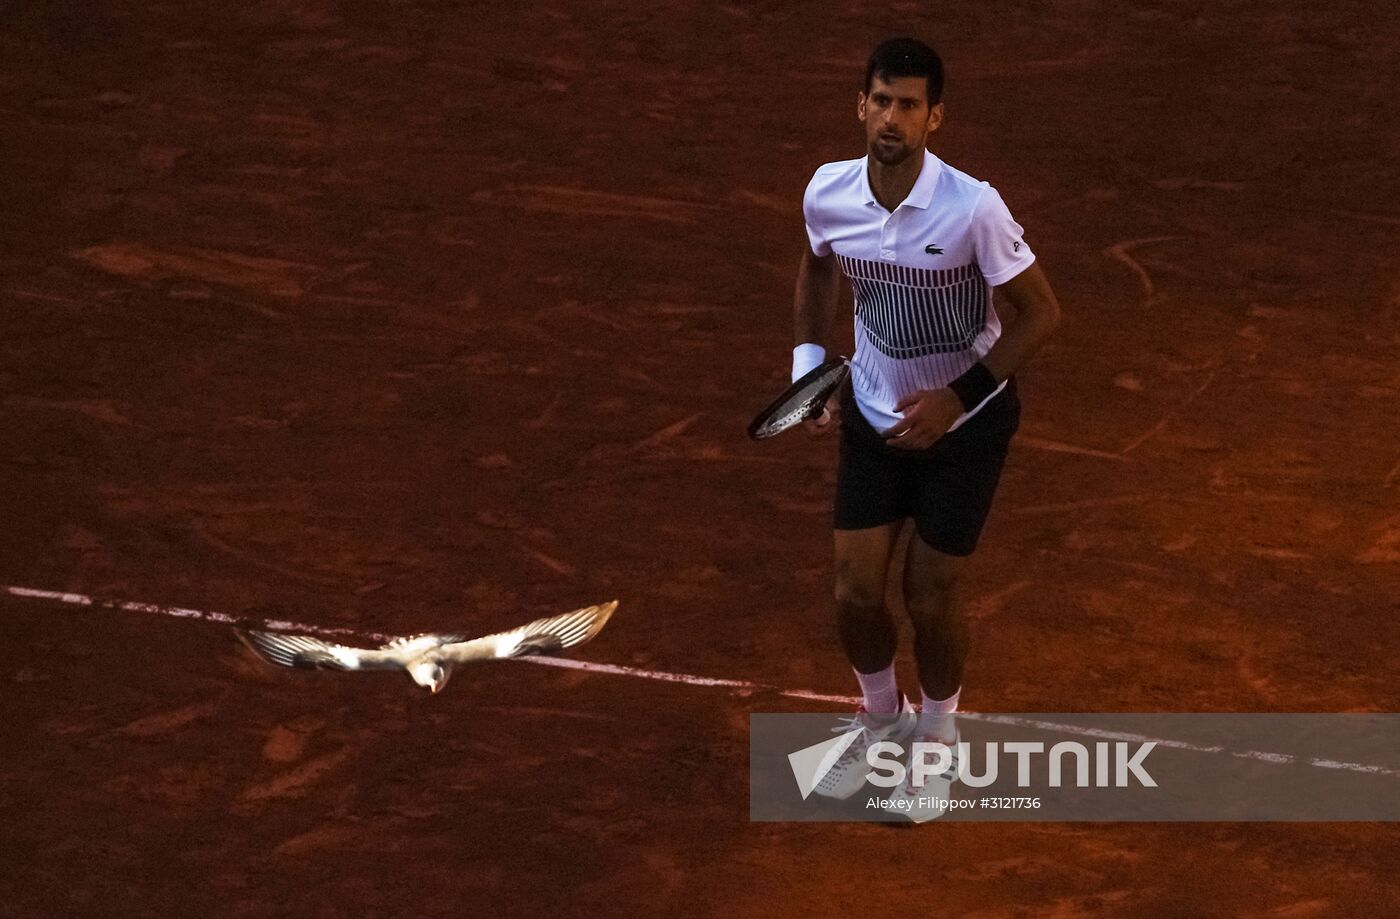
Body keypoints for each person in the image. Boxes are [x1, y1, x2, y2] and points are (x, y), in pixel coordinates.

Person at [792, 37, 1061, 810]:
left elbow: (1042, 314)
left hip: (966, 427)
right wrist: (811, 368)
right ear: (861, 105)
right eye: (881, 100)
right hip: (873, 416)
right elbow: (815, 266)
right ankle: (882, 722)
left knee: (931, 597)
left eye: (909, 105)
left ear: (933, 117)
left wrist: (955, 396)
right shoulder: (828, 193)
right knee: (852, 593)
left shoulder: (972, 206)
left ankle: (939, 734)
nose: (892, 117)